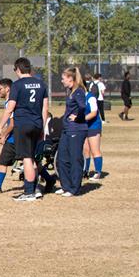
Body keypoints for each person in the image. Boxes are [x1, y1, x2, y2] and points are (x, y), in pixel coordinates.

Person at [0, 57, 48, 202]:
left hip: (23, 125)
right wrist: (43, 127)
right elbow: (45, 108)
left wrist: (0, 127)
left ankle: (29, 191)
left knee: (26, 158)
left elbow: (10, 108)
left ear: (18, 69)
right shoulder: (41, 84)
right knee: (32, 158)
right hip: (37, 124)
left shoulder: (17, 86)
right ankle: (35, 189)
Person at [55, 67, 88, 197]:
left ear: (70, 79)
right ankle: (66, 186)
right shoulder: (70, 92)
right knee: (62, 159)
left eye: (63, 78)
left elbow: (82, 107)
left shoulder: (79, 91)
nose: (62, 80)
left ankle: (74, 188)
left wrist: (78, 118)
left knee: (75, 159)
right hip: (66, 130)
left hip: (76, 130)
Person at [83, 84, 103, 181]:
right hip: (84, 126)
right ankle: (85, 171)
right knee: (86, 150)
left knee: (95, 150)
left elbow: (94, 113)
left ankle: (97, 172)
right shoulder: (78, 98)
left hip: (93, 126)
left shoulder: (90, 97)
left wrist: (81, 119)